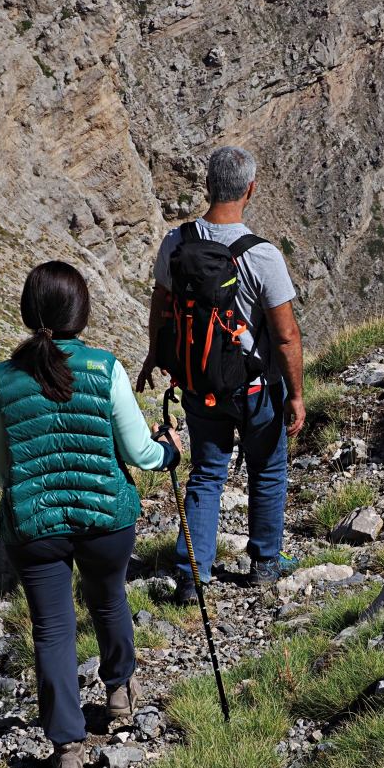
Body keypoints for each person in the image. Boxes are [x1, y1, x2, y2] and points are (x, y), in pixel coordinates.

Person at [0, 261, 182, 768]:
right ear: (82, 311)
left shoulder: (3, 380)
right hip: (104, 520)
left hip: (36, 523)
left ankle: (66, 748)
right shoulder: (104, 368)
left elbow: (2, 469)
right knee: (109, 598)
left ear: (30, 312)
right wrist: (170, 452)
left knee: (52, 629)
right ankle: (119, 692)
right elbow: (138, 451)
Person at [137, 146, 305, 601]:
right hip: (255, 388)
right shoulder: (262, 255)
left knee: (207, 474)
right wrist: (295, 395)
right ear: (250, 189)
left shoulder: (177, 242)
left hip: (199, 384)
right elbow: (286, 336)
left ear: (207, 186)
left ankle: (193, 574)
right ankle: (265, 563)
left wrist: (155, 354)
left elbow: (161, 302)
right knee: (268, 469)